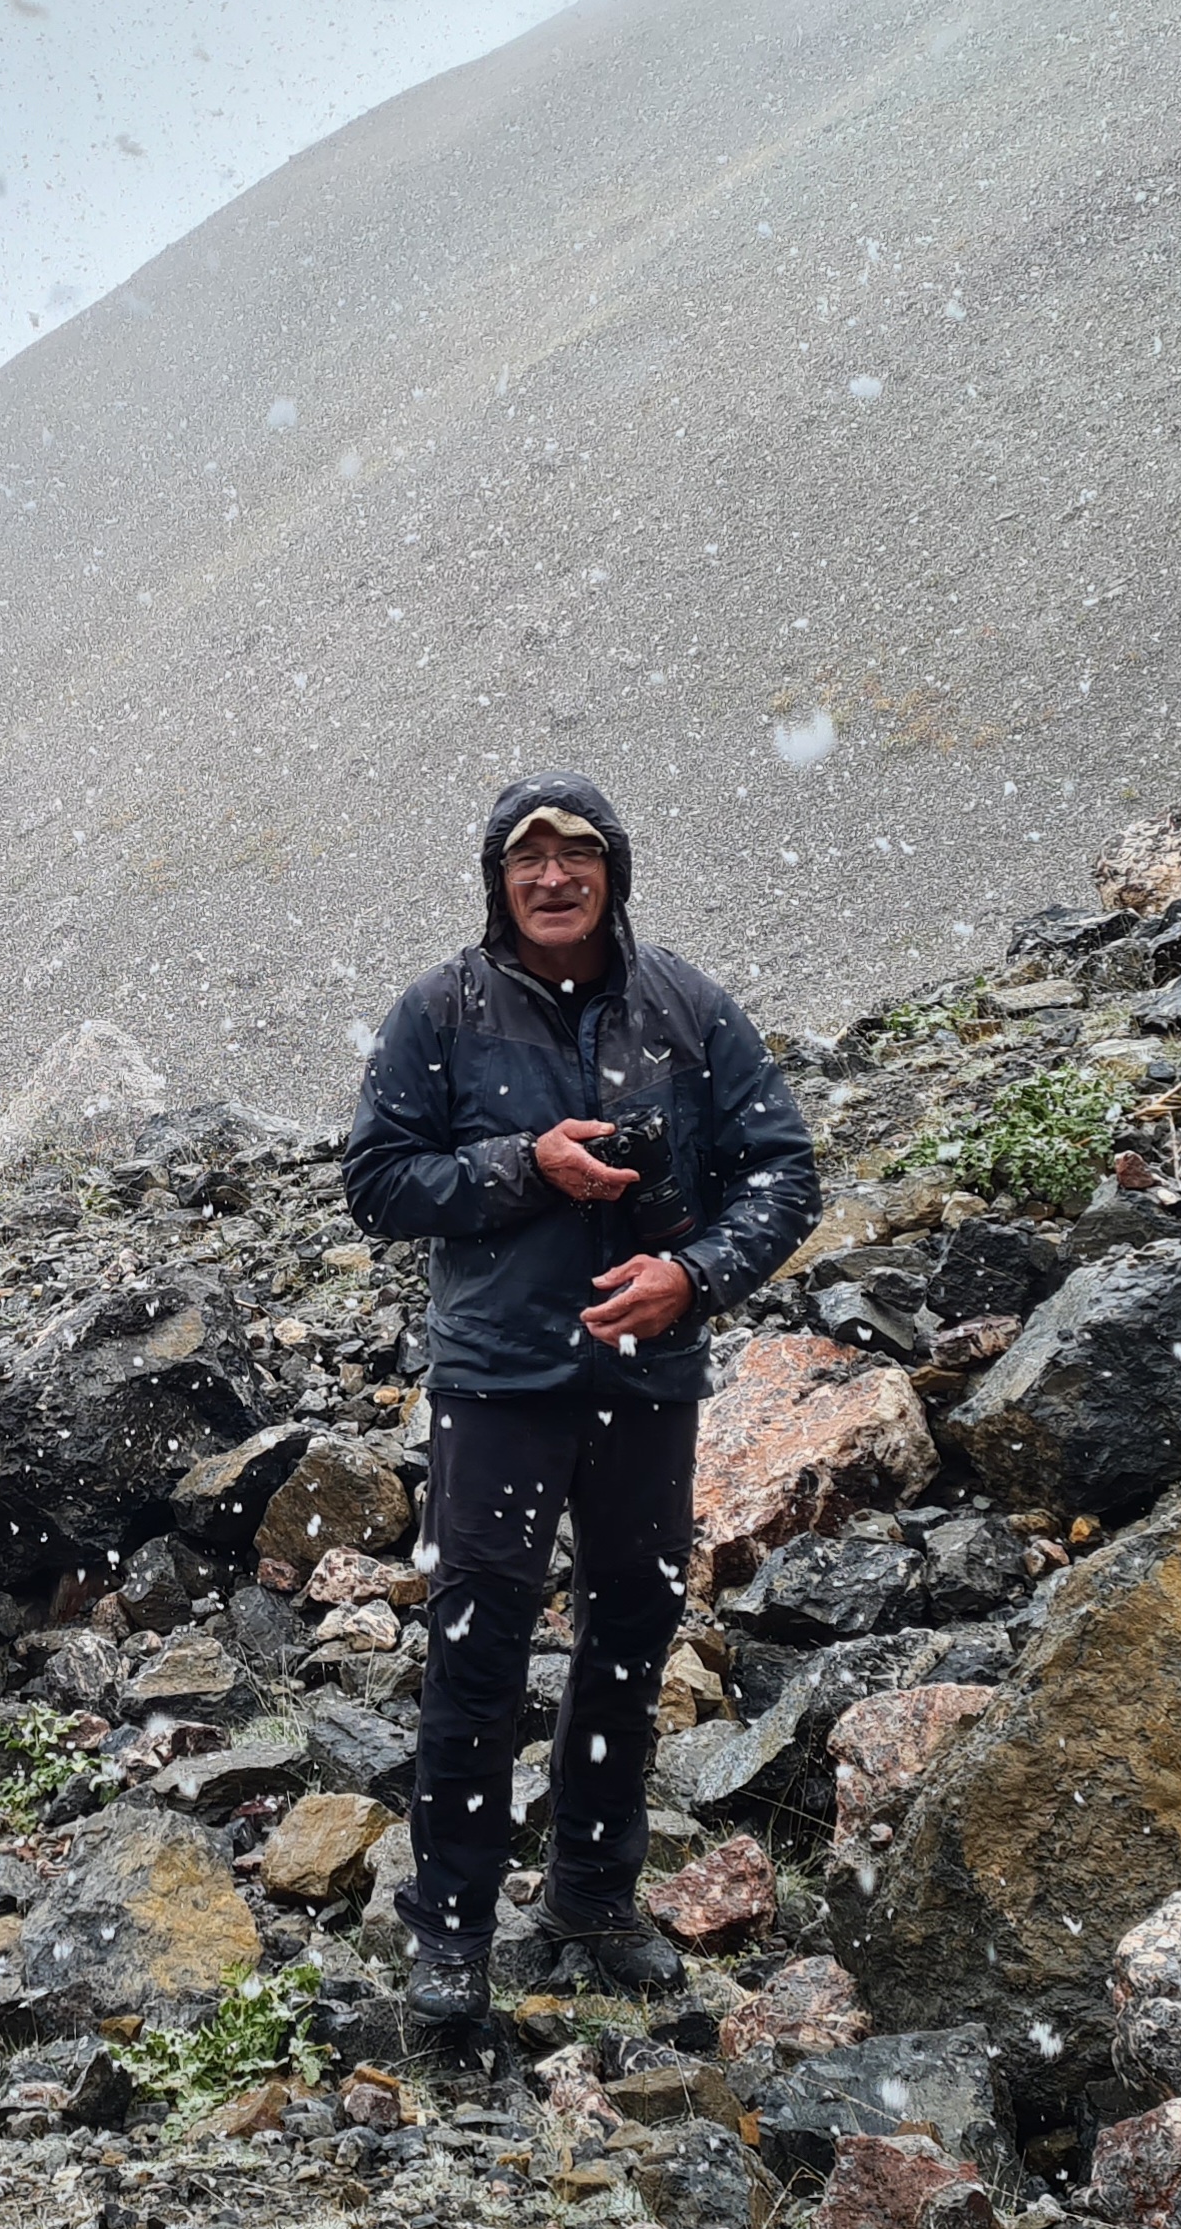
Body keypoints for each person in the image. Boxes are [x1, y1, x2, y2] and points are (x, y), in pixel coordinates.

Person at [341, 772, 822, 2024]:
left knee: (629, 1634)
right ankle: (451, 1932)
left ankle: (592, 1902)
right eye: (527, 858)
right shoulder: (440, 1010)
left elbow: (782, 1173)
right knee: (476, 1646)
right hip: (497, 1377)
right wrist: (523, 1165)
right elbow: (377, 1180)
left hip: (645, 1381)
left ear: (613, 869)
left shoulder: (685, 1007)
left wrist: (691, 1276)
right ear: (496, 880)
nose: (551, 877)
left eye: (574, 854)